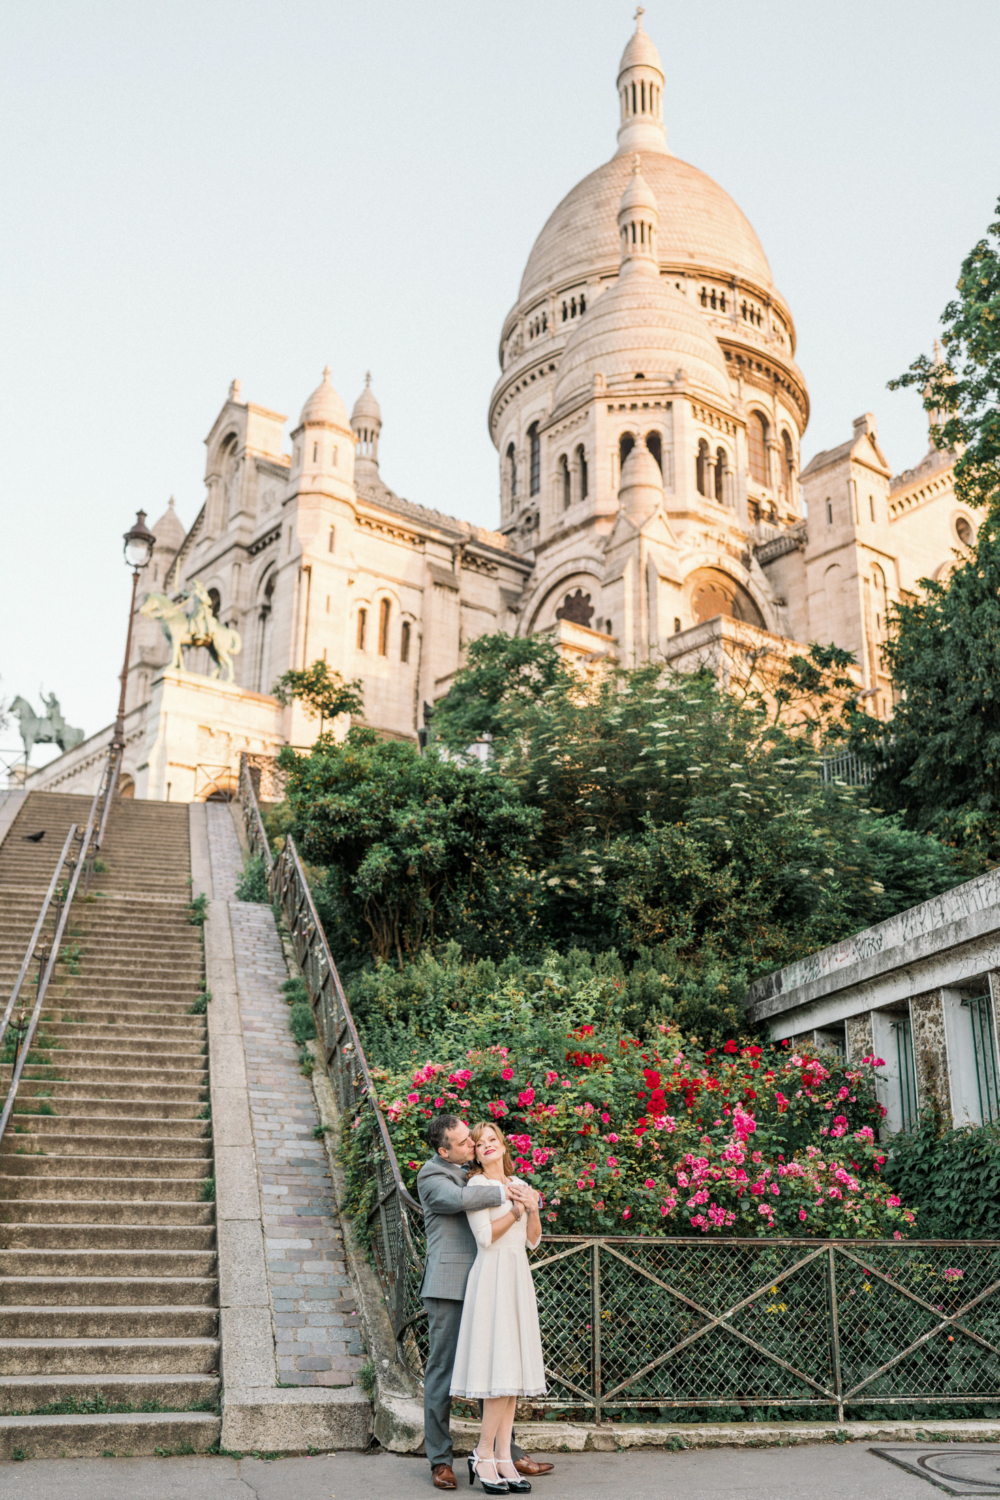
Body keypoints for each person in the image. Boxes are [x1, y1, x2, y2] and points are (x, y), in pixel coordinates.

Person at [416, 1115, 553, 1492]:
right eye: (463, 1143)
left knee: (496, 1367)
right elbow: (459, 1201)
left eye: (471, 1140)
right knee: (443, 1374)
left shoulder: (472, 1170)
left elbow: (528, 1238)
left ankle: (504, 1453)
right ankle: (441, 1461)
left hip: (490, 1281)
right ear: (444, 1150)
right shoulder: (433, 1176)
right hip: (450, 1285)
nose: (471, 1146)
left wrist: (520, 1193)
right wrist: (511, 1193)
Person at [450, 1121, 547, 1495]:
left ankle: (504, 1457)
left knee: (511, 1376)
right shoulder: (478, 1187)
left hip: (516, 1277)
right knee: (496, 1374)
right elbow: (486, 1239)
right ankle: (481, 1453)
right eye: (479, 1142)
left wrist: (532, 1208)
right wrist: (517, 1211)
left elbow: (533, 1243)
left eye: (493, 1140)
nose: (487, 1145)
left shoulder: (519, 1183)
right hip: (491, 1278)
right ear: (474, 1152)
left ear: (503, 1146)